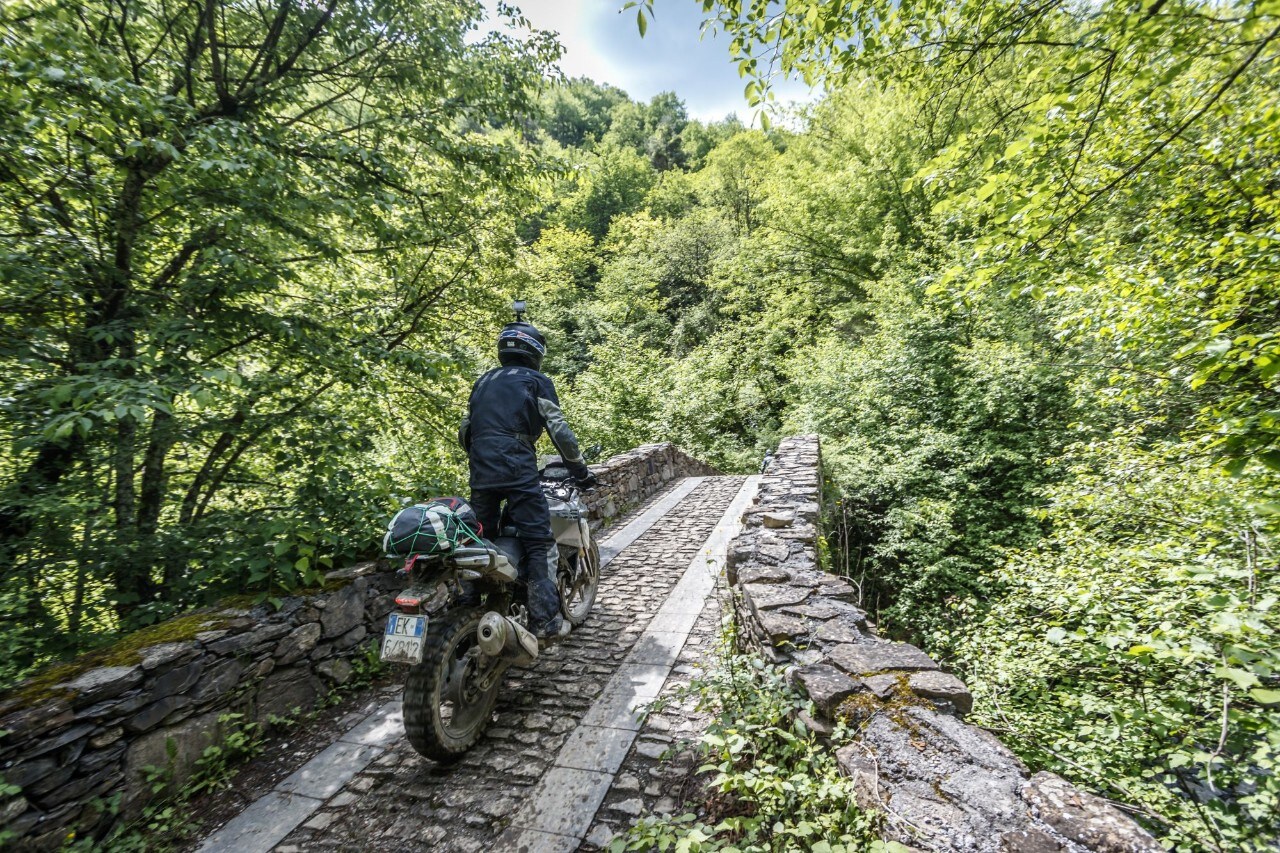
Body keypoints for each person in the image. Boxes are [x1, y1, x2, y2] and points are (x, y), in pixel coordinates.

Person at [458, 312, 596, 641]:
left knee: (479, 539)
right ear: (536, 352)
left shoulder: (484, 382)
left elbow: (466, 429)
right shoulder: (536, 381)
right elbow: (559, 430)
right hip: (518, 468)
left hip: (481, 469)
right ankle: (544, 620)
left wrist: (481, 456)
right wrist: (579, 469)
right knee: (539, 542)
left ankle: (467, 606)